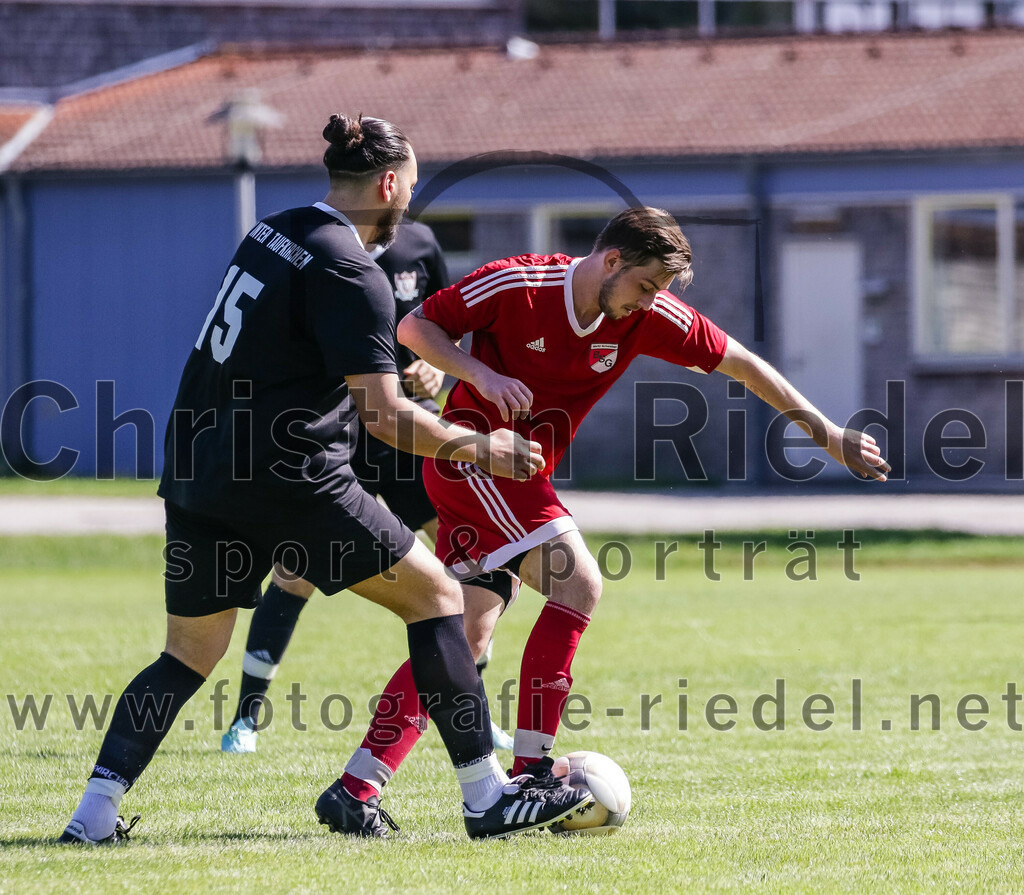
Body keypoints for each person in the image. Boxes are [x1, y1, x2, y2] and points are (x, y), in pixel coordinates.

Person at [58, 113, 591, 845]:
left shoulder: (271, 231)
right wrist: (483, 448)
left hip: (199, 469)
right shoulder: (352, 269)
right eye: (411, 189)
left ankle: (93, 814)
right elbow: (386, 418)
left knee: (187, 654)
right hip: (292, 477)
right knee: (439, 597)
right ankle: (485, 795)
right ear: (390, 183)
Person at [333, 206, 891, 823]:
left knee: (462, 630)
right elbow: (417, 328)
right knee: (579, 581)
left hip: (520, 475)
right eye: (645, 286)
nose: (649, 303)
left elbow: (741, 362)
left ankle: (357, 787)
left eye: (659, 293)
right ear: (612, 260)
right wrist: (481, 373)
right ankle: (533, 774)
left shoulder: (645, 315)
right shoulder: (518, 284)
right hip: (473, 459)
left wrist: (827, 434)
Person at [220, 221, 514, 754]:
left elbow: (437, 327)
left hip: (410, 437)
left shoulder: (422, 243)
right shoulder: (322, 249)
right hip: (340, 434)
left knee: (475, 563)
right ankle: (246, 718)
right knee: (295, 574)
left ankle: (475, 710)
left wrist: (433, 368)